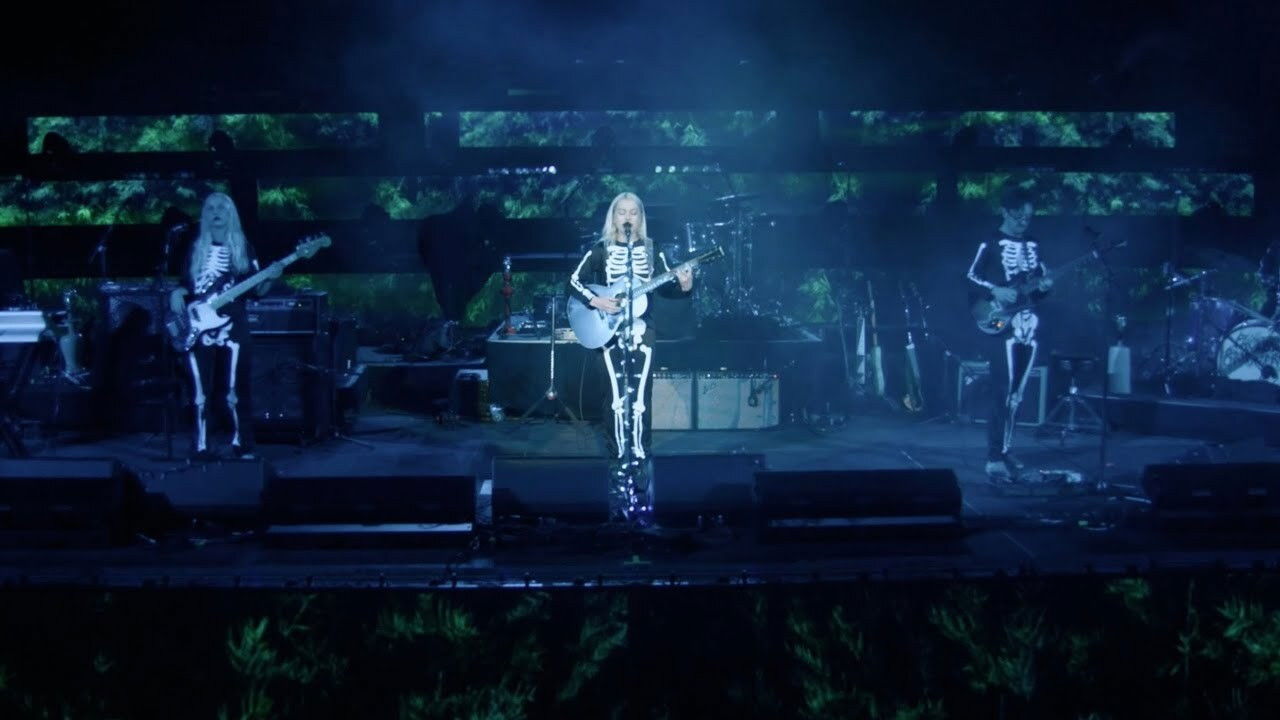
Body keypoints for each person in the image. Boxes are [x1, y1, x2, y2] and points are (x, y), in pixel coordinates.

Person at [566, 192, 693, 522]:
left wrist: (685, 283)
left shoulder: (653, 250)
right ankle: (615, 459)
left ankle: (641, 458)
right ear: (613, 216)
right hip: (608, 329)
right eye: (621, 212)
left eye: (633, 212)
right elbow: (573, 281)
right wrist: (596, 301)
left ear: (640, 217)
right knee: (614, 399)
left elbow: (668, 283)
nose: (627, 217)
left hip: (643, 329)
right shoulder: (601, 248)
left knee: (641, 398)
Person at [169, 192, 281, 459]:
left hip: (233, 325)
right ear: (205, 214)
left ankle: (241, 444)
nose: (216, 212)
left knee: (235, 388)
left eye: (222, 207)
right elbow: (187, 283)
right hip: (197, 324)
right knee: (198, 391)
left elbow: (257, 291)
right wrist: (176, 292)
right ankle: (201, 446)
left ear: (231, 213)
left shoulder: (243, 246)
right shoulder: (194, 246)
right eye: (210, 207)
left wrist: (272, 277)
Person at [966, 187, 1052, 482]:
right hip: (1002, 324)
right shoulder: (990, 243)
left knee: (1017, 395)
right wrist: (995, 289)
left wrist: (1045, 286)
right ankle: (993, 456)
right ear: (1004, 211)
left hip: (1028, 323)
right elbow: (971, 276)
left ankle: (1005, 449)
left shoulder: (1034, 244)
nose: (1023, 221)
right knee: (1002, 391)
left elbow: (1041, 282)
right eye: (1018, 215)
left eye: (1028, 216)